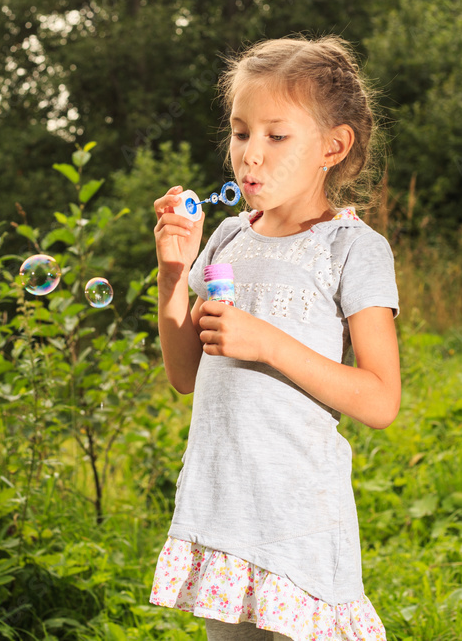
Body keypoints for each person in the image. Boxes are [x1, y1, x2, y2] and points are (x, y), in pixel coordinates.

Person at [149, 35, 401, 641]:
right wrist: (173, 275)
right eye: (240, 133)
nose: (251, 155)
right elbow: (185, 375)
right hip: (223, 511)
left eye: (277, 136)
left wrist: (266, 342)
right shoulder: (228, 238)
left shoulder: (351, 248)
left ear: (333, 147)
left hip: (298, 520)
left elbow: (380, 400)